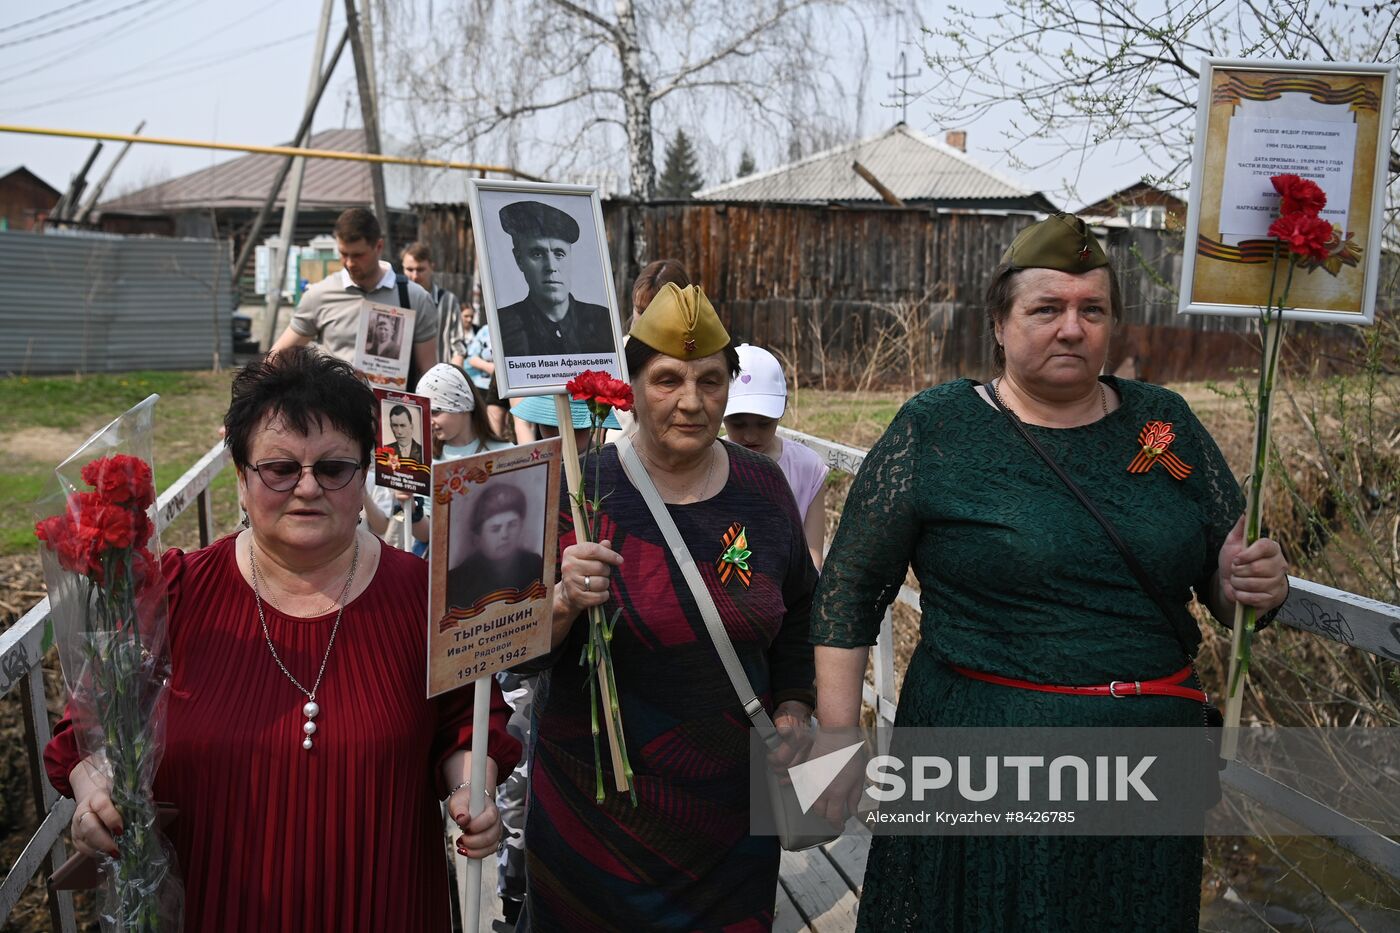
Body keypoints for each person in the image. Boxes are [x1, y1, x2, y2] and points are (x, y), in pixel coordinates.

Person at [808, 213, 1290, 931]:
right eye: (1047, 309)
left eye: (1092, 310)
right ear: (999, 324)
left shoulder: (1166, 424)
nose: (1072, 327)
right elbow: (849, 590)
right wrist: (838, 740)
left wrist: (1253, 583)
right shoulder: (936, 429)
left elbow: (1225, 589)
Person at [45, 347, 520, 932]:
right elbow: (88, 726)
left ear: (365, 471)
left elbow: (466, 720)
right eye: (280, 468)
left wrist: (474, 791)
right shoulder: (174, 594)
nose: (307, 488)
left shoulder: (428, 596)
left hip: (383, 904)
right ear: (242, 477)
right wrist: (96, 792)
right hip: (214, 911)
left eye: (333, 467)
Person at [521, 283, 818, 929]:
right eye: (666, 380)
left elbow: (800, 611)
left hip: (732, 825)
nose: (691, 400)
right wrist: (564, 598)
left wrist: (796, 703)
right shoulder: (578, 489)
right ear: (630, 387)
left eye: (710, 380)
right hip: (597, 825)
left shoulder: (762, 488)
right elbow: (518, 654)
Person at [270, 208, 439, 378]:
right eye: (343, 254)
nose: (350, 263)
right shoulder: (319, 295)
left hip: (392, 403)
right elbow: (276, 359)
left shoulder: (415, 298)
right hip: (335, 402)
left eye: (358, 255)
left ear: (378, 246)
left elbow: (429, 374)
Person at [723, 343, 828, 569]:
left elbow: (812, 554)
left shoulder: (808, 467)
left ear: (783, 408)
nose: (750, 435)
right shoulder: (707, 461)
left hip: (788, 594)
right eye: (737, 423)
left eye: (764, 423)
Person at [494, 200, 615, 358]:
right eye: (537, 254)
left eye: (559, 254)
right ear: (519, 259)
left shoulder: (601, 321)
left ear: (571, 258)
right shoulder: (504, 324)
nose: (551, 266)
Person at [446, 481, 543, 611]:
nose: (505, 535)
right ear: (478, 537)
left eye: (512, 525)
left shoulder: (535, 564)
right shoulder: (458, 581)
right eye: (495, 529)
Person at [402, 241, 466, 365]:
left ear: (432, 267)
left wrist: (452, 379)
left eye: (420, 269)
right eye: (410, 269)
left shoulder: (448, 301)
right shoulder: (397, 299)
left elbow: (458, 348)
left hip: (438, 377)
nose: (415, 276)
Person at [510, 393, 621, 452]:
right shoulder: (537, 472)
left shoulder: (612, 466)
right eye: (551, 424)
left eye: (576, 426)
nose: (562, 434)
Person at [463, 321, 516, 442]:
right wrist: (493, 370)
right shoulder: (485, 331)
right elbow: (472, 358)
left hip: (513, 383)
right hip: (484, 386)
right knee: (493, 423)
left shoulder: (517, 327)